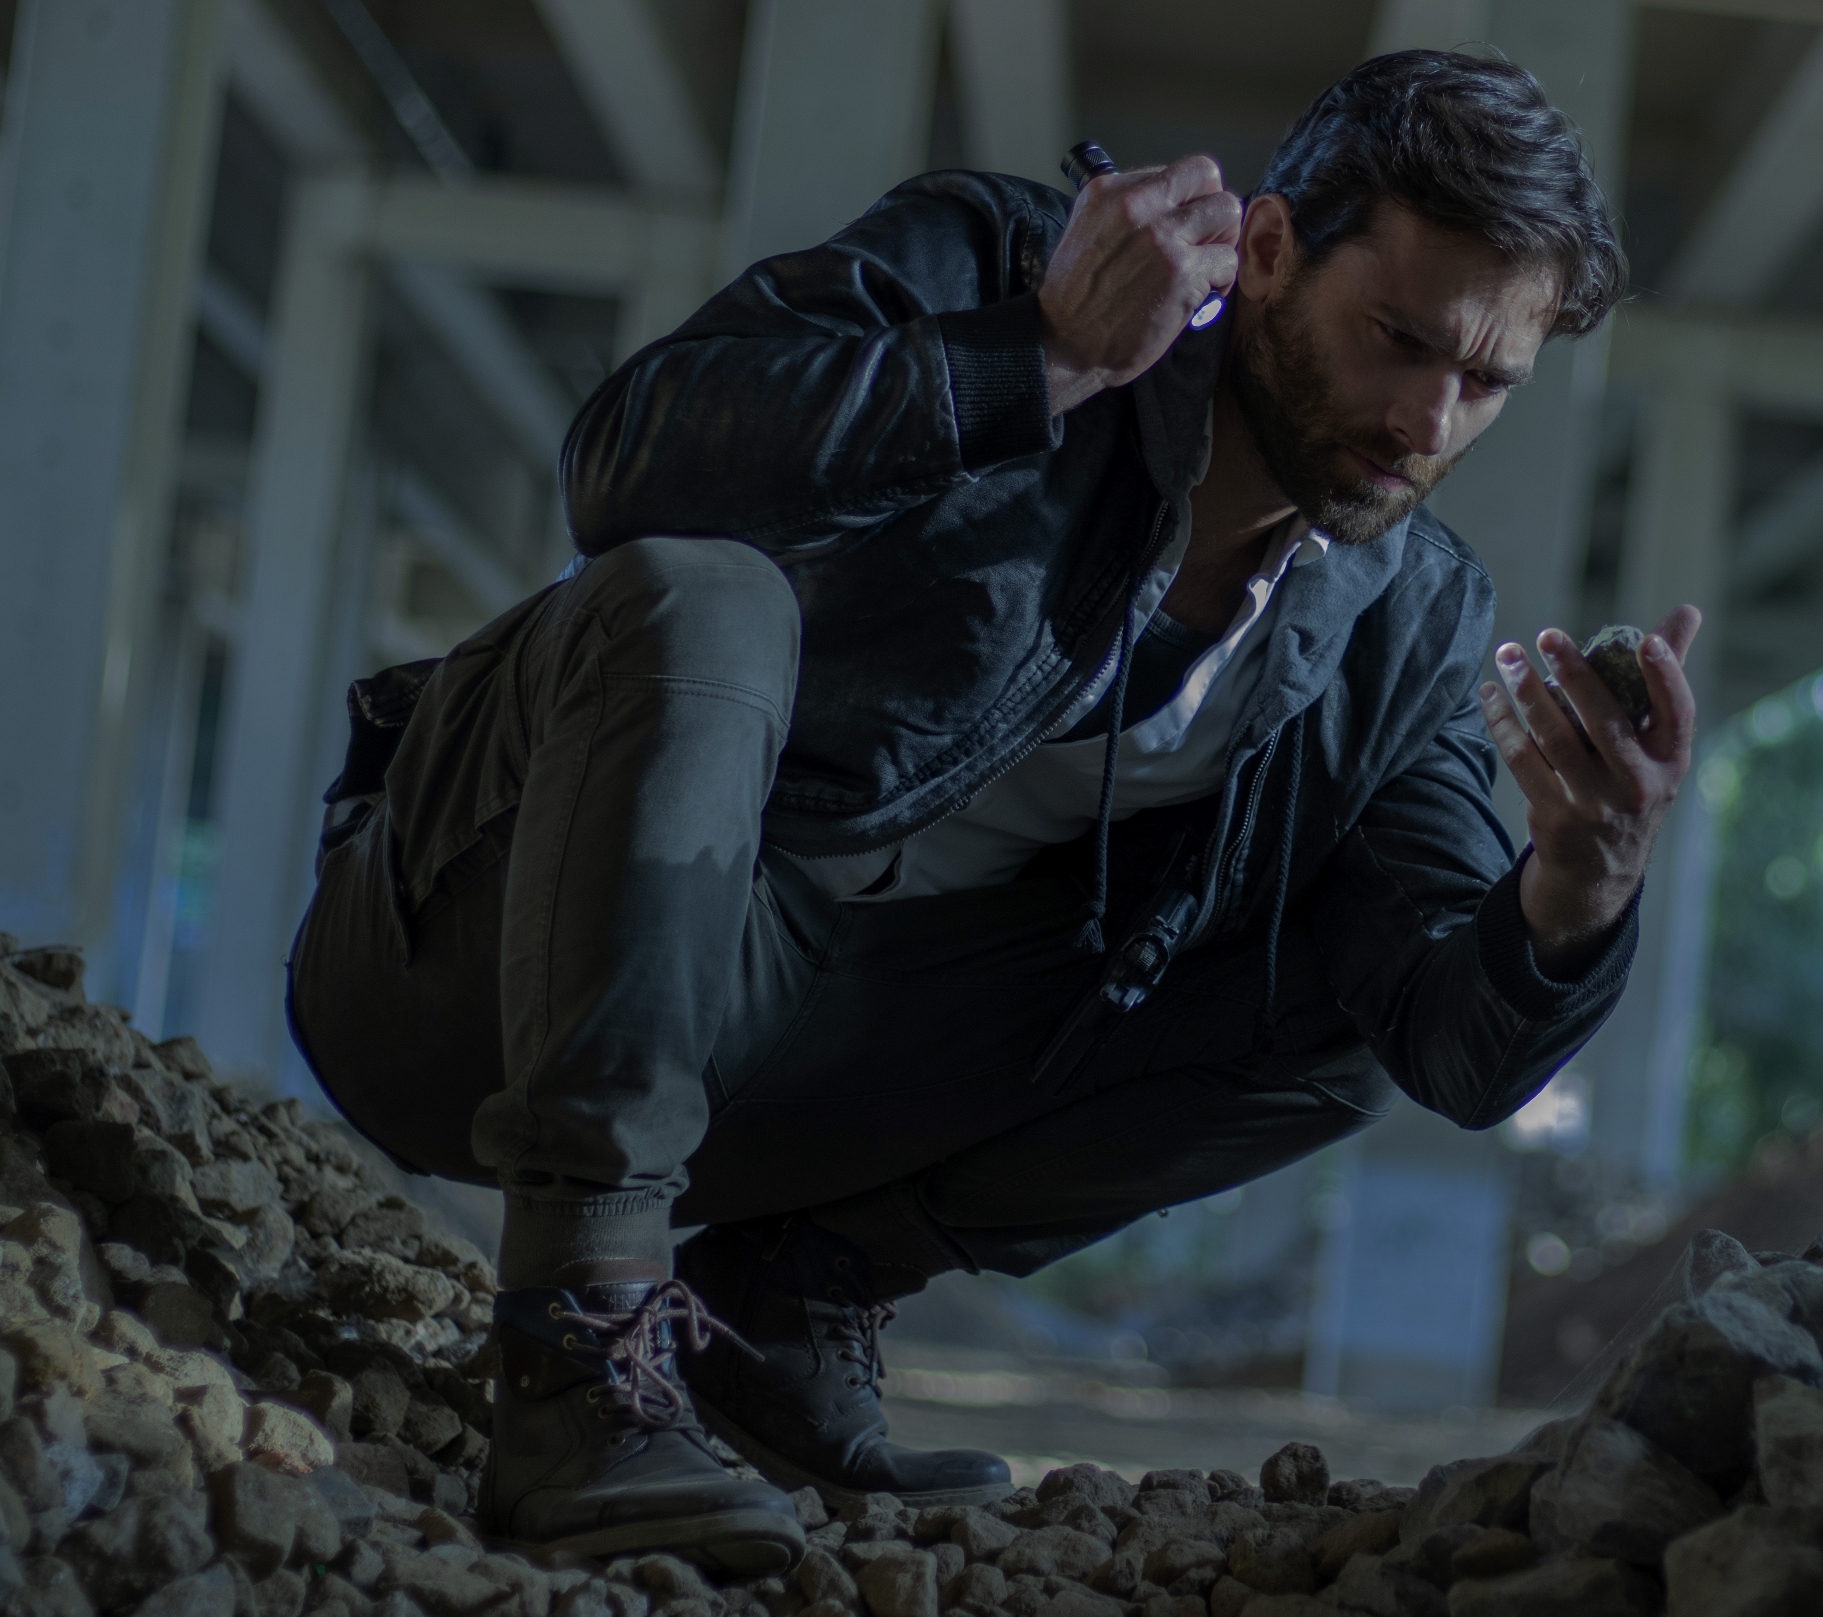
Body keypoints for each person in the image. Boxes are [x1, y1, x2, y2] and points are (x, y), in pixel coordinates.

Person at [284, 49, 1700, 1568]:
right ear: (1273, 251)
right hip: (464, 958)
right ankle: (579, 1356)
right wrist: (1032, 358)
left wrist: (1580, 884)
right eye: (1399, 340)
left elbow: (1454, 1041)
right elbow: (627, 463)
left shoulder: (1400, 624)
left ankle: (785, 1303)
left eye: (1486, 381)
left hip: (786, 1064)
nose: (1428, 423)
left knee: (1336, 1013)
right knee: (698, 600)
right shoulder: (1008, 263)